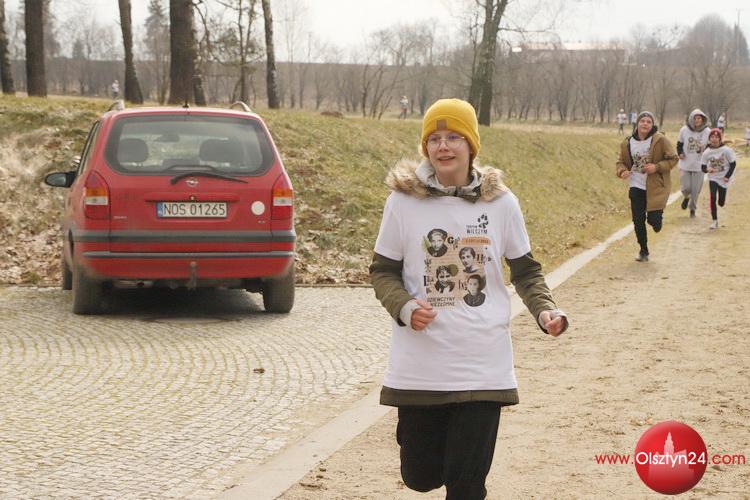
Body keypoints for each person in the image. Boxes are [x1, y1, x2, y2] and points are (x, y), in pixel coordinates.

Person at [369, 98, 568, 499]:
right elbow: (382, 271)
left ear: (471, 145)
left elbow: (526, 271)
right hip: (421, 364)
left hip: (483, 363)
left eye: (454, 137)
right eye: (435, 139)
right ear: (426, 147)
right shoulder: (402, 202)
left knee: (466, 485)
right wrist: (405, 307)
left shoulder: (502, 203)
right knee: (420, 476)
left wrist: (545, 309)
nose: (443, 146)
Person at [616, 111, 678, 262]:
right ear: (637, 124)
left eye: (648, 122)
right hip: (636, 185)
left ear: (652, 125)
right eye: (642, 121)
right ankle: (643, 250)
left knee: (653, 222)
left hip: (655, 187)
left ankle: (657, 220)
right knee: (638, 220)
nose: (645, 124)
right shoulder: (627, 143)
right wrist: (622, 171)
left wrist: (656, 167)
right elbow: (621, 162)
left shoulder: (660, 140)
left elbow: (673, 159)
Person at [676, 109, 710, 218]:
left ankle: (692, 210)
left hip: (699, 164)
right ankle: (686, 197)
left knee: (696, 190)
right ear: (691, 119)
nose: (697, 120)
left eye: (699, 118)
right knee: (686, 188)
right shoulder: (684, 130)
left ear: (702, 119)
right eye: (695, 118)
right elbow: (679, 144)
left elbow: (710, 146)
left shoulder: (707, 131)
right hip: (685, 163)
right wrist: (680, 153)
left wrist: (704, 150)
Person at [700, 128, 737, 229]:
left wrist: (727, 176)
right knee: (712, 197)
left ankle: (722, 197)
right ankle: (714, 221)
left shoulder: (726, 150)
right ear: (709, 139)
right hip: (713, 178)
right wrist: (707, 169)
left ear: (720, 139)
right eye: (712, 137)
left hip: (724, 178)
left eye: (716, 137)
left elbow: (733, 164)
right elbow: (703, 167)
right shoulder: (707, 152)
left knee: (721, 203)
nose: (714, 139)